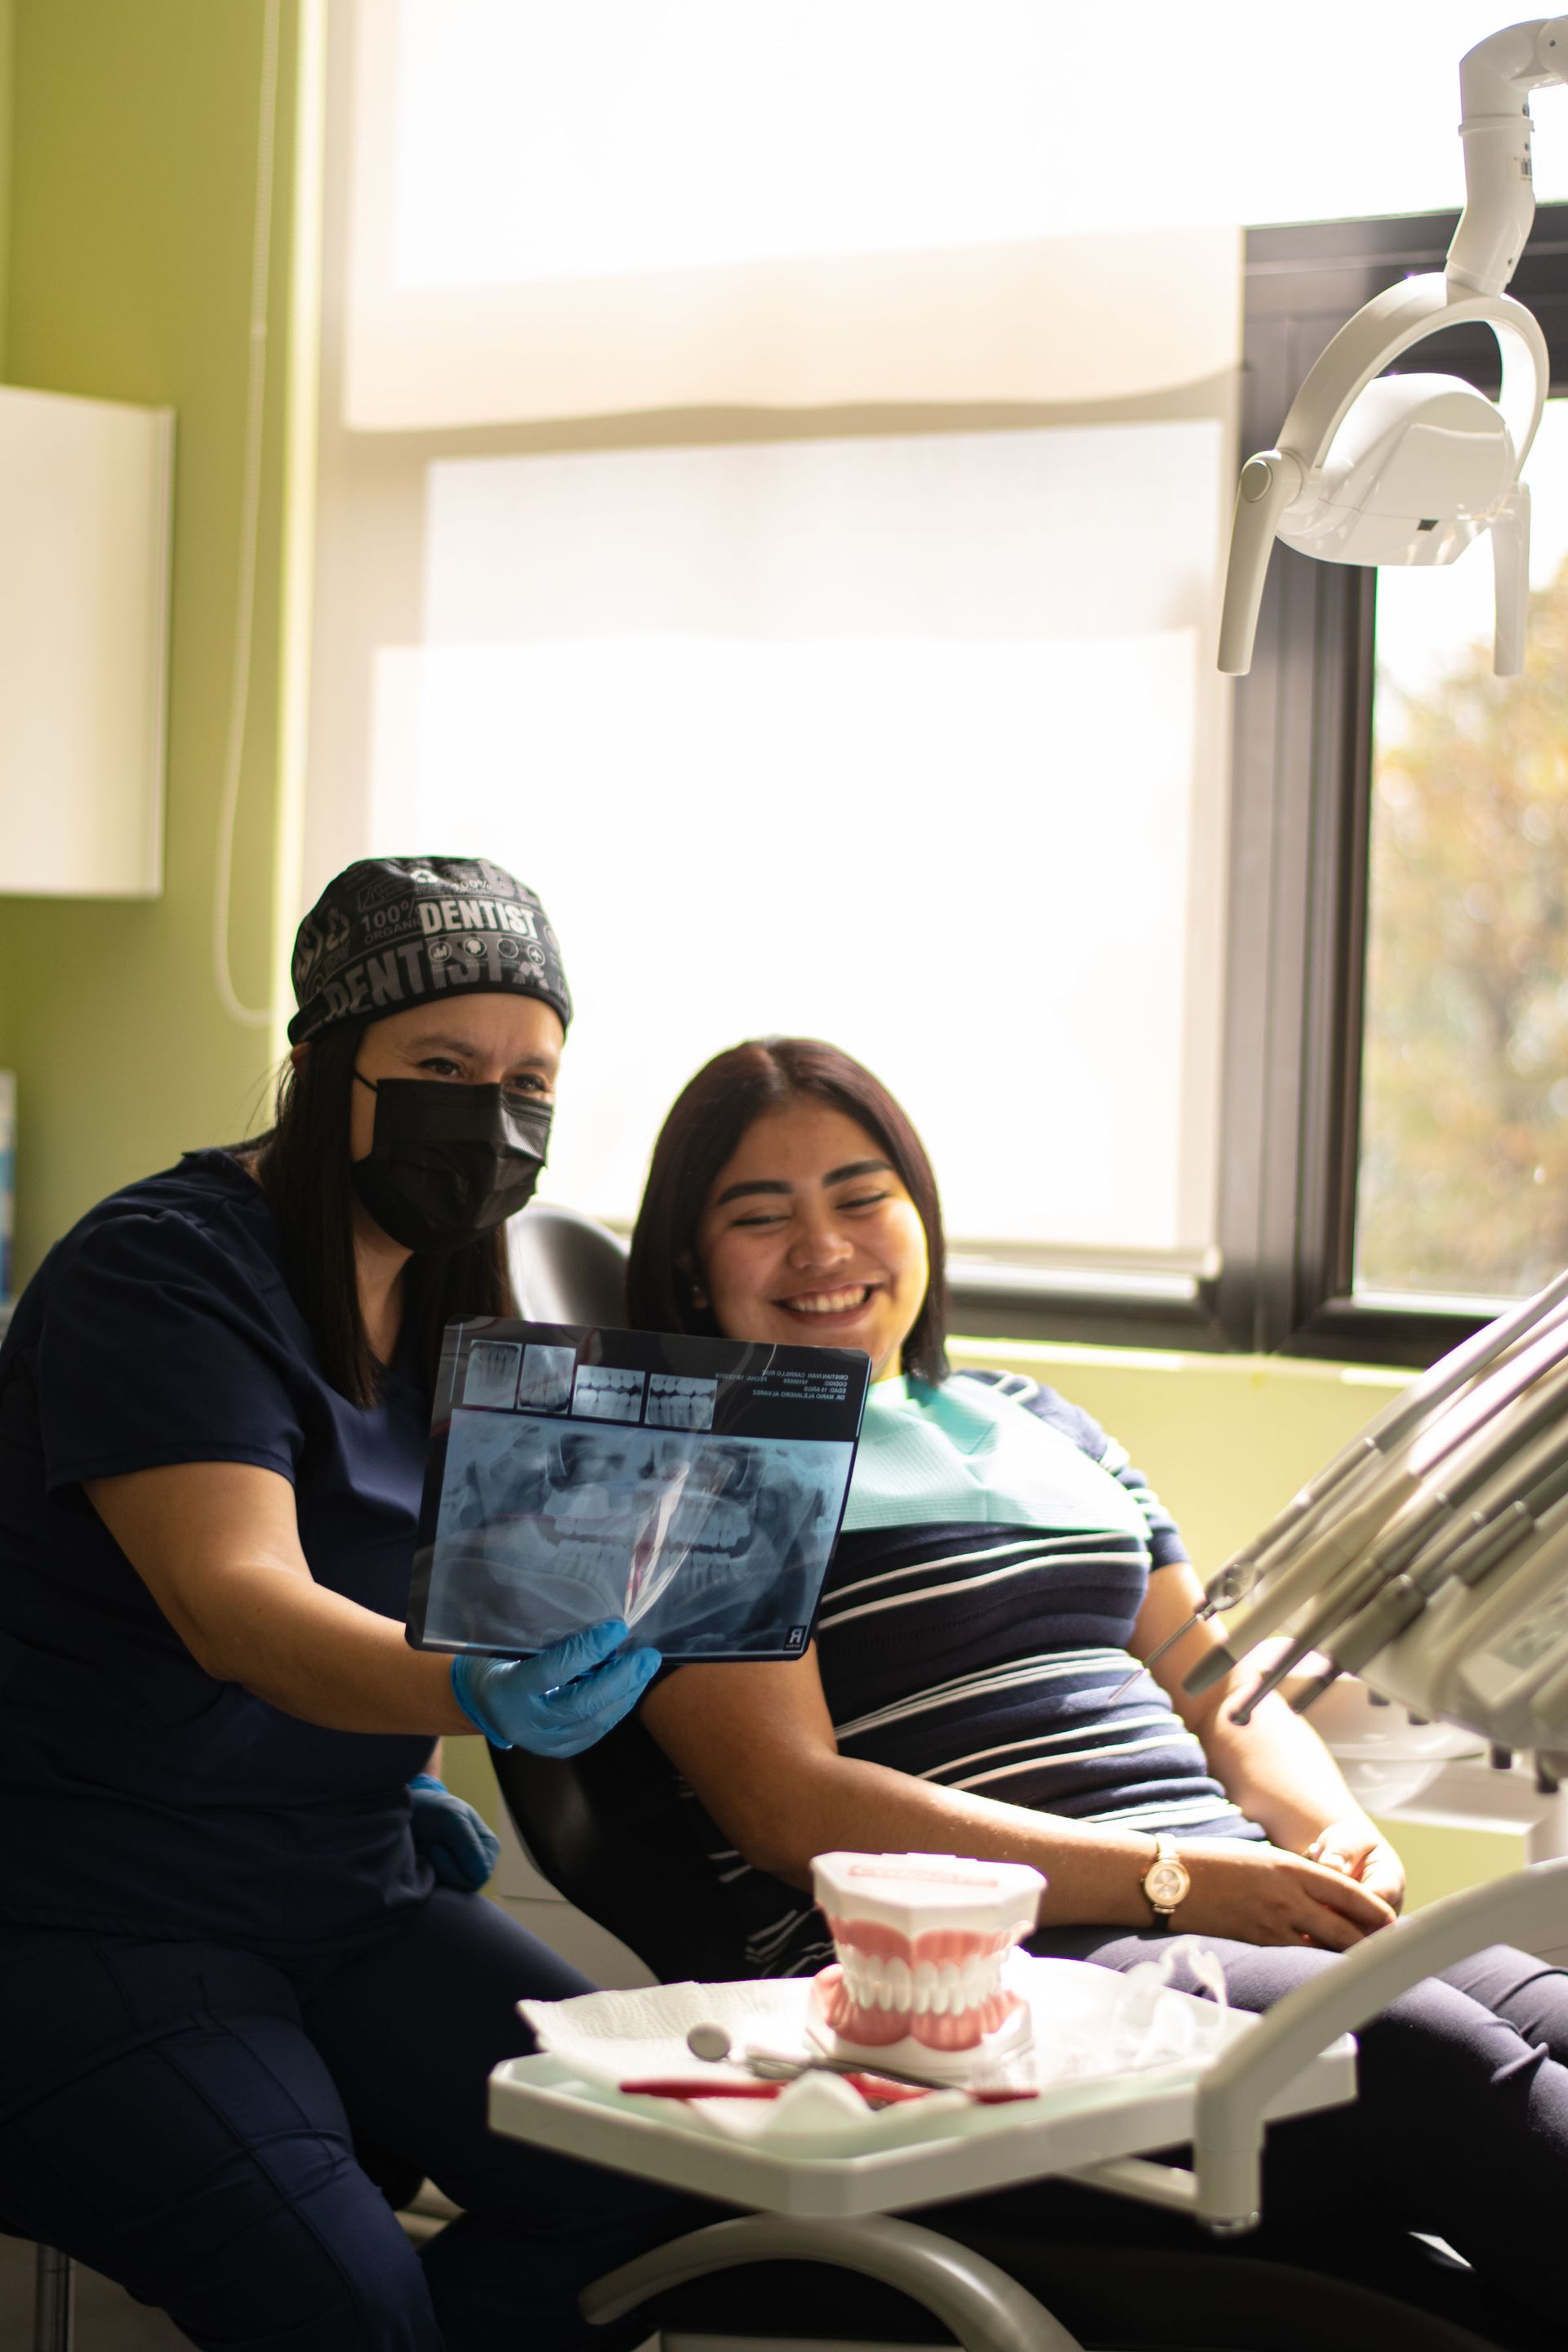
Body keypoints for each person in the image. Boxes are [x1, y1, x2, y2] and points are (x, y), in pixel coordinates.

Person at [626, 1035, 1568, 2339]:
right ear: (689, 1258)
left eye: (860, 1196)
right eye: (759, 1215)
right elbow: (791, 1806)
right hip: (980, 1980)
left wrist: (1321, 1829)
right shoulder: (703, 1464)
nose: (824, 1248)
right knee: (1418, 2056)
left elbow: (1216, 1686)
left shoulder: (1035, 1420)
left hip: (1220, 1911)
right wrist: (1179, 1882)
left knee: (1547, 2018)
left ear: (918, 1217)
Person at [0, 858, 707, 2352]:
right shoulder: (166, 1273)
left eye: (531, 1080)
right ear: (325, 1068)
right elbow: (237, 1602)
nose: (491, 1115)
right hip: (94, 1913)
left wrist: (417, 1762)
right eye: (441, 1069)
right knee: (346, 2308)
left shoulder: (468, 1289)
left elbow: (446, 1552)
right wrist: (464, 1691)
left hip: (343, 1887)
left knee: (655, 2185)